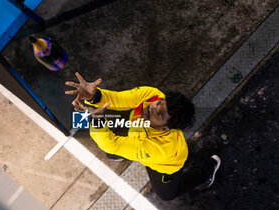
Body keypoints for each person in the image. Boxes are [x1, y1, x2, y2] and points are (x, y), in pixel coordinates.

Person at [65, 72, 221, 201]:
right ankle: (124, 151)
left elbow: (113, 144)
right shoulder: (152, 95)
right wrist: (94, 97)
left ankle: (207, 169)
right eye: (159, 103)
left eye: (158, 115)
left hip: (163, 165)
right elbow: (118, 99)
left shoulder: (160, 150)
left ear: (166, 128)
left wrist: (97, 121)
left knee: (167, 195)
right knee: (113, 144)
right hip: (138, 137)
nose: (151, 107)